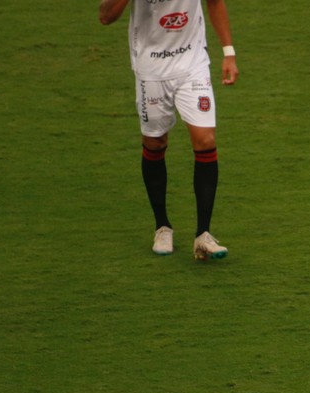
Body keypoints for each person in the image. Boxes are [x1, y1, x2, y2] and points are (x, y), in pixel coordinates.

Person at [98, 0, 238, 259]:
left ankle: (203, 235)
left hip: (192, 65)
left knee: (205, 140)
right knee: (155, 143)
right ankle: (162, 226)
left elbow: (215, 2)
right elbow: (106, 17)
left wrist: (228, 52)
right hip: (151, 70)